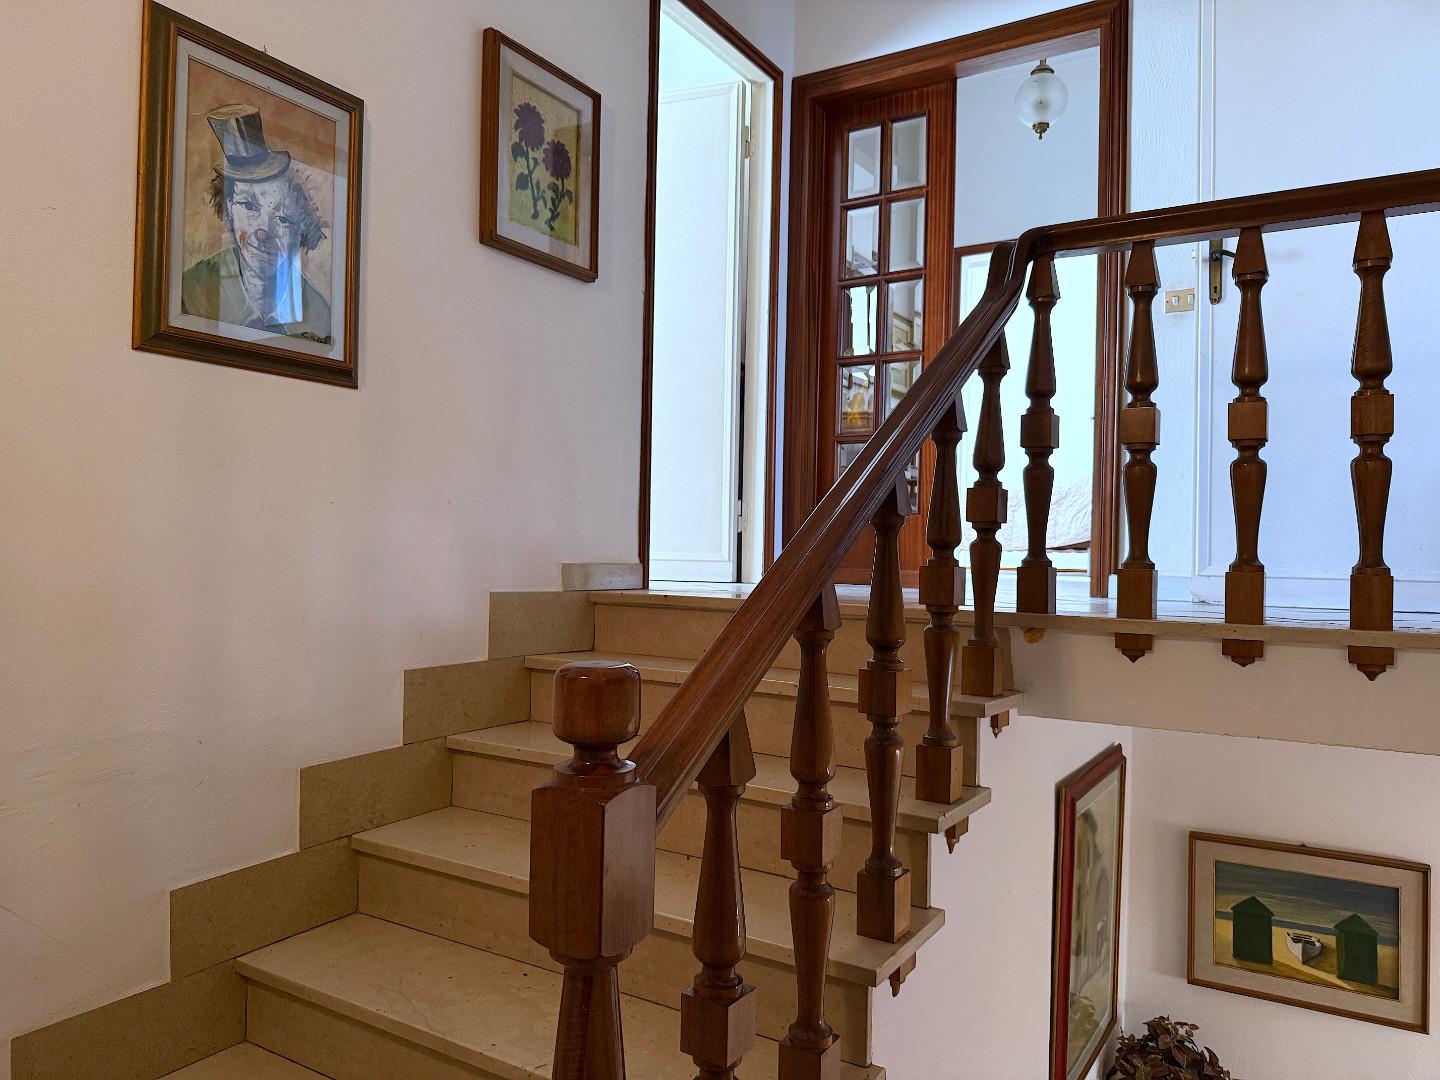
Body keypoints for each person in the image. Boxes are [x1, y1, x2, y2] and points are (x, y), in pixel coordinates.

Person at [181, 104, 332, 343]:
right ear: (229, 210)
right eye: (249, 206)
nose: (262, 233)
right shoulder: (189, 293)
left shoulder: (320, 316)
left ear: (301, 231)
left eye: (282, 219)